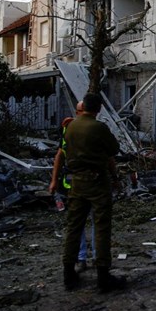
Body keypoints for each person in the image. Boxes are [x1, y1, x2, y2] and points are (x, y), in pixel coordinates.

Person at [62, 93, 124, 292]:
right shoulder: (98, 127)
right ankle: (103, 276)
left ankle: (68, 274)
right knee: (101, 227)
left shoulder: (70, 127)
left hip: (76, 182)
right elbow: (114, 149)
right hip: (97, 181)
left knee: (74, 227)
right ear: (98, 109)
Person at [49, 100, 96, 272]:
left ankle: (95, 258)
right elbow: (60, 155)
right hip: (74, 184)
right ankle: (82, 258)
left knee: (94, 221)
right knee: (79, 223)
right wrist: (54, 180)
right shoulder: (68, 130)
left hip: (91, 183)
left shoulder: (94, 130)